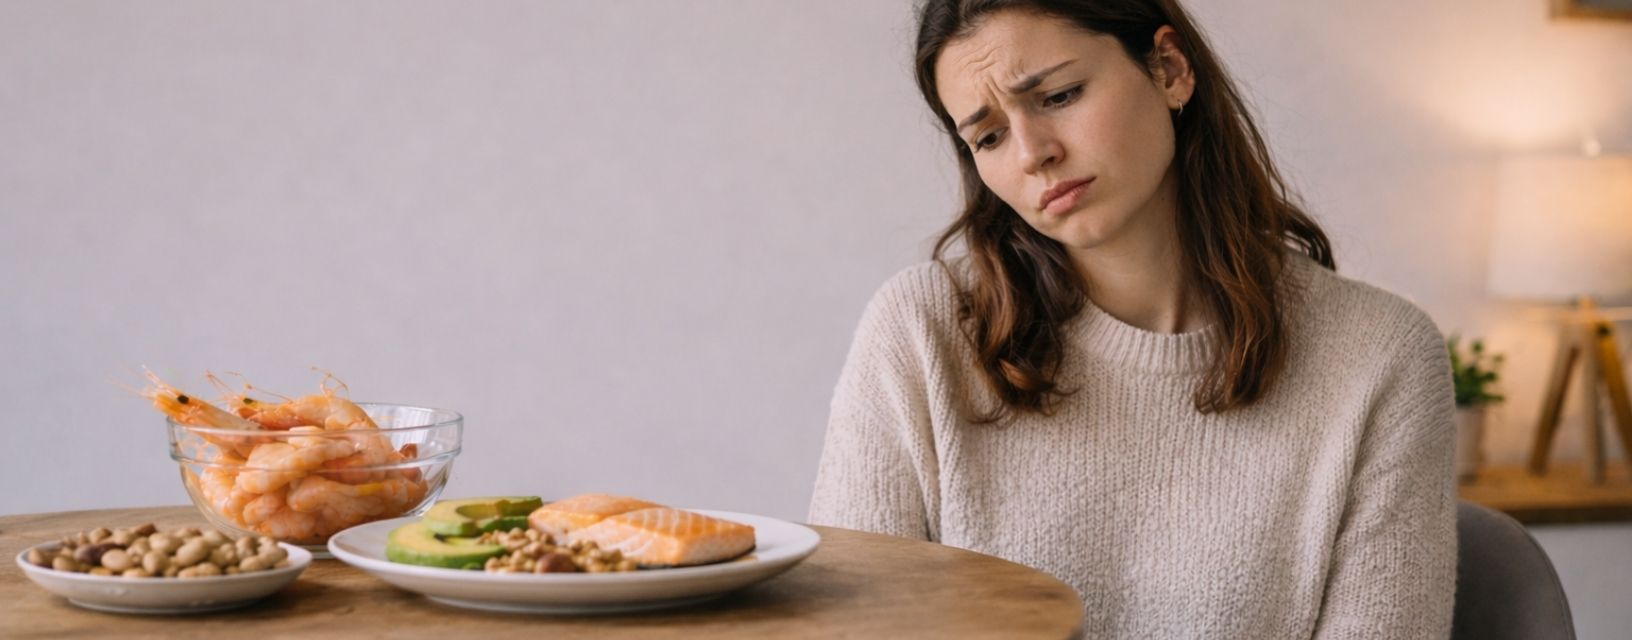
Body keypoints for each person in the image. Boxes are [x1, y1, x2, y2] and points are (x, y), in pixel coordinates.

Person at [807, 1, 1457, 638]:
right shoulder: (923, 333)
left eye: (1058, 96)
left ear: (1170, 68)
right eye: (989, 136)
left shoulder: (1381, 356)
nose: (1032, 153)